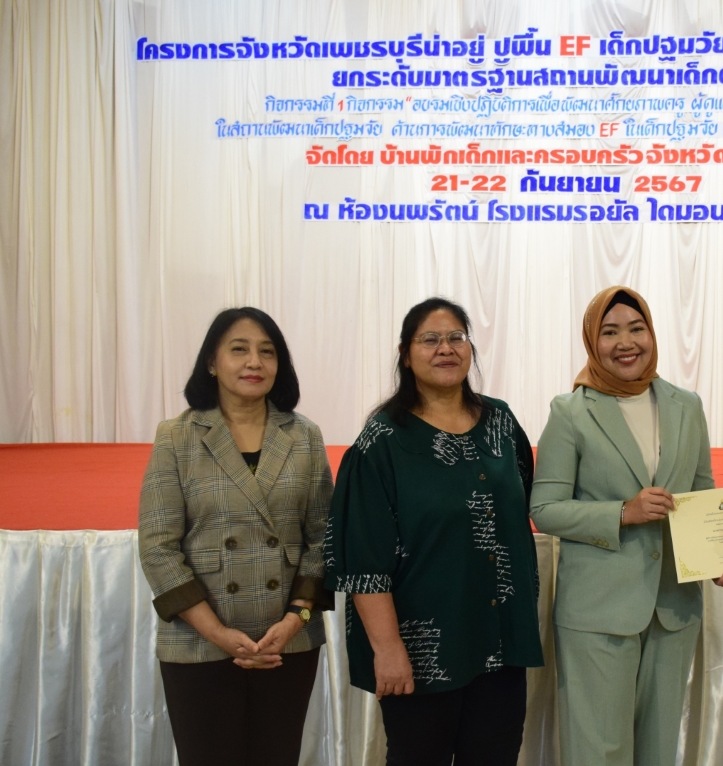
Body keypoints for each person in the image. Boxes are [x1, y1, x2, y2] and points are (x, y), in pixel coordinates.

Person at [323, 297, 543, 766]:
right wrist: (388, 650)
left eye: (456, 337)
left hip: (500, 641)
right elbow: (363, 562)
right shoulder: (382, 441)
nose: (446, 349)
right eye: (430, 340)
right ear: (406, 355)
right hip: (421, 652)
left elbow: (527, 500)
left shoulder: (501, 422)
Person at [531, 286, 723, 766]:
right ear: (592, 341)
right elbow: (544, 508)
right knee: (598, 752)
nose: (626, 343)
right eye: (610, 332)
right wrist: (622, 512)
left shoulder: (686, 404)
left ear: (652, 333)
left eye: (636, 328)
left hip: (673, 606)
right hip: (598, 611)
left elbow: (700, 495)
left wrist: (718, 558)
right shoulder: (571, 411)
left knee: (659, 750)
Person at [137, 307, 333, 766]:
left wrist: (295, 620)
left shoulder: (304, 436)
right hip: (199, 642)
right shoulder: (177, 437)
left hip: (286, 643)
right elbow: (158, 546)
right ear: (212, 361)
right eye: (239, 349)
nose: (254, 362)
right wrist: (219, 634)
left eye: (267, 352)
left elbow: (323, 539)